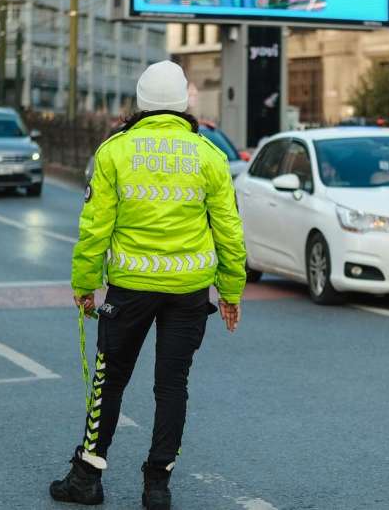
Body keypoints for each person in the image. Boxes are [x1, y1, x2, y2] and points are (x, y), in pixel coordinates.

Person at [50, 60, 247, 510]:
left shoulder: (115, 151)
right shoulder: (210, 156)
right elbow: (230, 232)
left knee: (109, 380)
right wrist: (230, 292)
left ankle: (87, 477)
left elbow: (94, 226)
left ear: (140, 102)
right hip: (189, 292)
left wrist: (85, 283)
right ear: (182, 104)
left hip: (129, 290)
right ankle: (157, 485)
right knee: (172, 385)